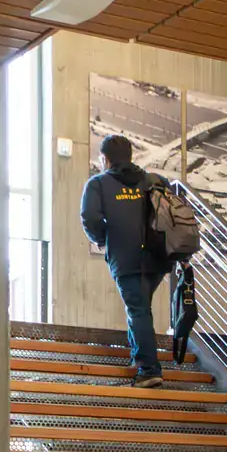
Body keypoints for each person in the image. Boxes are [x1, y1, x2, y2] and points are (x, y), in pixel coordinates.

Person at [79, 134, 168, 387]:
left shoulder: (98, 184)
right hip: (158, 258)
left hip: (126, 258)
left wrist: (102, 238)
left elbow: (90, 217)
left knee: (138, 309)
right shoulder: (154, 180)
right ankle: (138, 358)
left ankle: (149, 370)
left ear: (104, 159)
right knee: (140, 307)